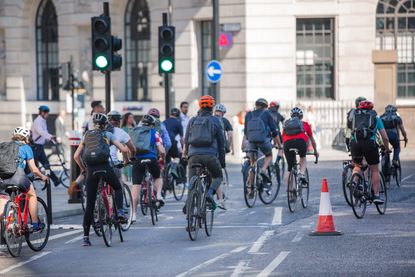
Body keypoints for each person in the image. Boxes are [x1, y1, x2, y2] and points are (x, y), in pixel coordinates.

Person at [74, 113, 128, 247]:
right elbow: (123, 148)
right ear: (105, 125)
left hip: (91, 170)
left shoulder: (86, 135)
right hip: (105, 167)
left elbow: (76, 156)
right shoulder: (107, 135)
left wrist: (83, 168)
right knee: (117, 188)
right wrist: (126, 160)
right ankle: (120, 212)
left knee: (90, 205)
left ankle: (86, 237)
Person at [0, 127, 49, 232]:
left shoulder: (4, 146)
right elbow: (34, 169)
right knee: (32, 195)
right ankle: (35, 224)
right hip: (19, 178)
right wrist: (43, 176)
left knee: (3, 201)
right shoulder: (26, 147)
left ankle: (7, 225)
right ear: (26, 138)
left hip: (3, 179)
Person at [183, 95, 226, 211]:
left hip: (193, 156)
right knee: (218, 176)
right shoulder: (215, 120)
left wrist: (186, 155)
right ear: (212, 107)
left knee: (191, 180)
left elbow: (186, 140)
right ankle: (209, 194)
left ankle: (189, 203)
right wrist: (222, 162)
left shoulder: (192, 120)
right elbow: (222, 144)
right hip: (210, 155)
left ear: (200, 107)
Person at [349, 100, 391, 204]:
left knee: (357, 165)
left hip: (355, 143)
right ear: (371, 108)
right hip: (369, 144)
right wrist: (387, 149)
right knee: (374, 169)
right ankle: (376, 195)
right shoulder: (376, 118)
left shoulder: (354, 116)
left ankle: (354, 182)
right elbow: (385, 137)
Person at [130, 114, 166, 221]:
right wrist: (161, 158)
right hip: (151, 159)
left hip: (138, 160)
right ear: (152, 125)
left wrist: (130, 159)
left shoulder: (134, 132)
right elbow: (162, 150)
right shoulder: (155, 133)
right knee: (158, 176)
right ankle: (159, 195)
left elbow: (129, 148)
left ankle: (133, 214)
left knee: (136, 187)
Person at [244, 98, 282, 186]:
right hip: (262, 140)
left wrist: (245, 144)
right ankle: (263, 170)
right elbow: (274, 131)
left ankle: (250, 189)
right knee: (269, 155)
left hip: (251, 141)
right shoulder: (266, 114)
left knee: (252, 164)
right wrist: (279, 145)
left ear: (256, 105)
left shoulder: (249, 114)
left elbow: (246, 131)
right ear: (265, 107)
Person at [282, 107, 319, 189]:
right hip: (300, 143)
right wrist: (315, 152)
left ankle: (290, 191)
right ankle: (302, 174)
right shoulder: (305, 124)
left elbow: (283, 139)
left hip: (287, 144)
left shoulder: (286, 124)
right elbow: (312, 140)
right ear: (301, 116)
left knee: (289, 168)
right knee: (303, 157)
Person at [30, 105, 60, 186]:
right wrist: (50, 136)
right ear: (42, 113)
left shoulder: (43, 121)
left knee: (46, 165)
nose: (48, 115)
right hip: (35, 147)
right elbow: (41, 132)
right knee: (34, 167)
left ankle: (53, 180)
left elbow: (45, 132)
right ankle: (37, 182)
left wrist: (50, 138)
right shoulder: (37, 121)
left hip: (40, 146)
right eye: (47, 113)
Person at [380, 105, 408, 176]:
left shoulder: (381, 117)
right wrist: (405, 138)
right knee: (396, 147)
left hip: (384, 136)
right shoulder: (397, 118)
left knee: (384, 149)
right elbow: (403, 131)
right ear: (395, 111)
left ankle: (384, 164)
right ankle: (395, 161)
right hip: (393, 135)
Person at [106, 110, 136, 176]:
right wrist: (128, 160)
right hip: (112, 161)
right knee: (118, 182)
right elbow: (131, 149)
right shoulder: (121, 132)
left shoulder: (100, 130)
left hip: (96, 162)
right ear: (119, 121)